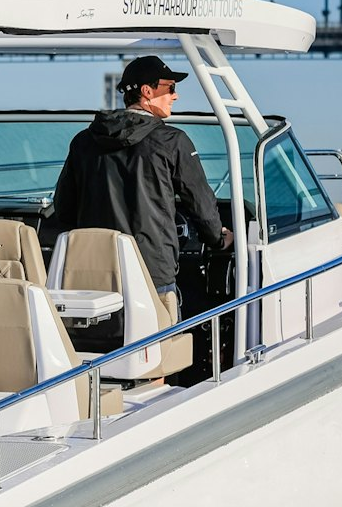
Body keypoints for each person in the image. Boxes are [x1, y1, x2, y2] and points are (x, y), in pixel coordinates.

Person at [52, 54, 232, 316]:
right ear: (147, 91)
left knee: (100, 348)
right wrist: (218, 239)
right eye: (170, 88)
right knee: (159, 349)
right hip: (152, 272)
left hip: (94, 273)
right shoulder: (172, 141)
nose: (175, 96)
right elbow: (201, 205)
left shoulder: (84, 141)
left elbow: (64, 209)